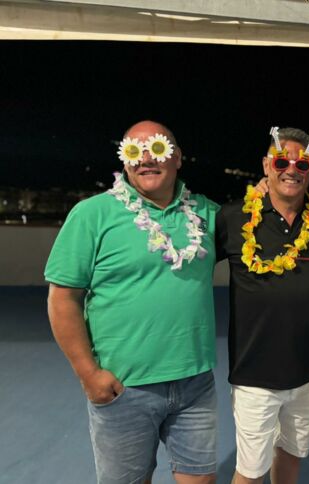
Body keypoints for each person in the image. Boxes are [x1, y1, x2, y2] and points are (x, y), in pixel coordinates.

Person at [46, 120, 219, 484]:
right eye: (133, 151)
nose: (145, 159)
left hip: (195, 384)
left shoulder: (207, 214)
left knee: (202, 480)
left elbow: (257, 225)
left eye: (156, 148)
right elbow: (62, 300)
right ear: (123, 160)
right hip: (124, 386)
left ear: (177, 158)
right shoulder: (92, 214)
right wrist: (89, 374)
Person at [215, 127, 309, 484]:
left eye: (302, 164)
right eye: (282, 162)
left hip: (308, 374)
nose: (291, 170)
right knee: (250, 471)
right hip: (254, 376)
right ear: (267, 165)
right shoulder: (232, 218)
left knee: (290, 459)